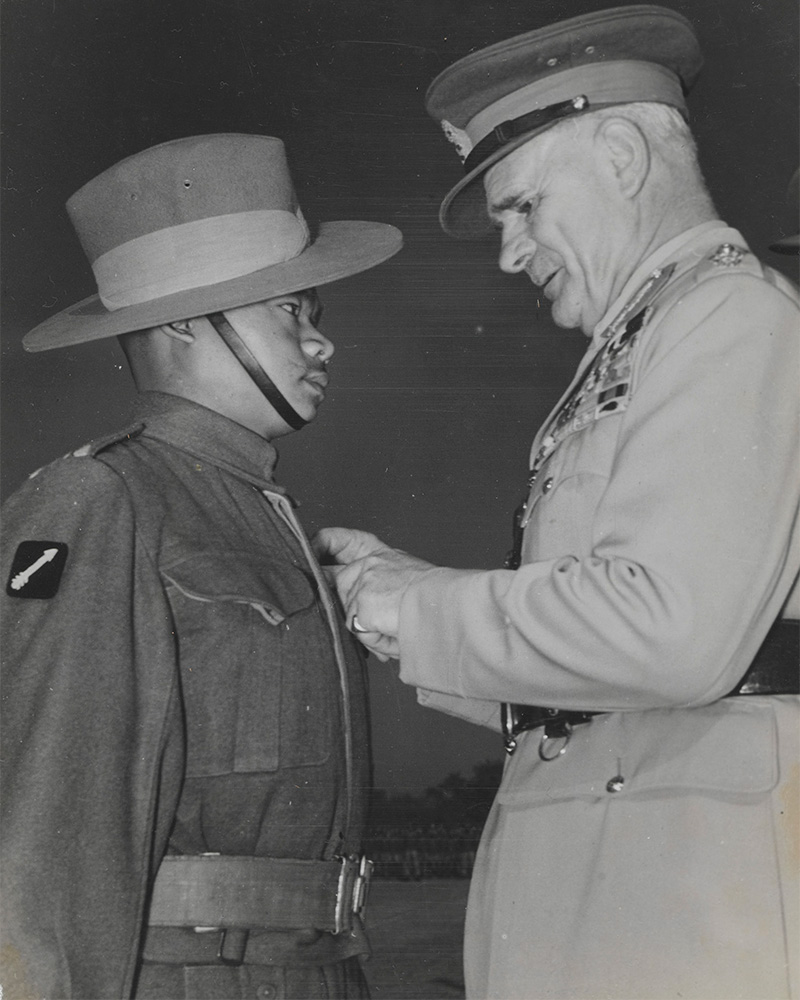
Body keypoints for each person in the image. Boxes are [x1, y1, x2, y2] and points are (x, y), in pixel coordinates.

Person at [314, 7, 800, 999]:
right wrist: (392, 617)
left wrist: (420, 602)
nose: (508, 251)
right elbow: (604, 673)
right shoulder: (649, 341)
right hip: (624, 889)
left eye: (522, 207)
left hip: (684, 913)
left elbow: (671, 635)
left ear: (620, 154)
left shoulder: (728, 319)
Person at [0, 133, 401, 1000]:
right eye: (291, 311)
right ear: (185, 318)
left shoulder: (261, 513)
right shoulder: (100, 500)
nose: (321, 343)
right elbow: (49, 830)